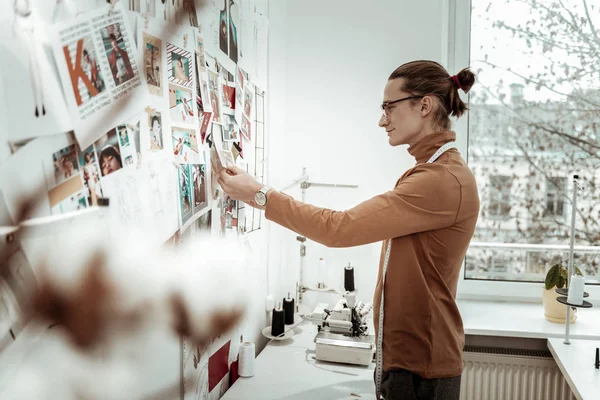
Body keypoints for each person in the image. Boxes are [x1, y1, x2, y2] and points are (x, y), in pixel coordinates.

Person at [217, 60, 480, 400]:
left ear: (425, 105)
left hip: (421, 371)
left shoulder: (440, 180)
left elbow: (338, 229)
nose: (382, 120)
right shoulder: (431, 171)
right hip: (410, 363)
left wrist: (260, 195)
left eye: (389, 107)